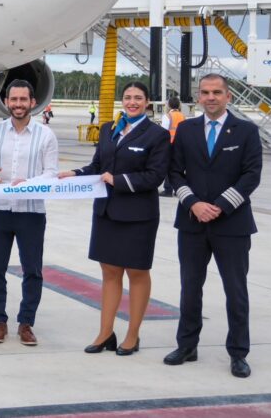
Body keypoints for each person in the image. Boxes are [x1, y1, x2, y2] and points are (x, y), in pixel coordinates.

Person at [59, 81, 169, 357]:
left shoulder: (157, 135)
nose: (132, 102)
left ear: (147, 102)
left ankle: (132, 335)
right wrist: (75, 173)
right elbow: (99, 166)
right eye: (128, 97)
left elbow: (155, 177)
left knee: (137, 272)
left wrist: (118, 180)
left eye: (138, 98)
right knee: (109, 272)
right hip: (107, 211)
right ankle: (105, 332)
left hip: (137, 215)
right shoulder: (110, 129)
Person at [164, 74, 262, 379]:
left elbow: (251, 175)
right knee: (190, 288)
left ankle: (238, 353)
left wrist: (220, 205)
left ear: (228, 96)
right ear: (198, 96)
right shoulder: (187, 129)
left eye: (217, 92)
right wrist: (193, 203)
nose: (210, 97)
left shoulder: (246, 131)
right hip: (192, 222)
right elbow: (173, 173)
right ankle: (187, 345)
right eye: (205, 92)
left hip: (232, 223)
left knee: (236, 290)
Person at [0, 80, 58, 346]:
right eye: (13, 100)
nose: (17, 105)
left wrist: (28, 184)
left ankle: (26, 323)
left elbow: (51, 174)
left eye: (22, 100)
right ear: (6, 101)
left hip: (31, 211)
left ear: (32, 102)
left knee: (33, 270)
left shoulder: (45, 136)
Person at [159, 96, 186, 197]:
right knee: (178, 168)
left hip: (170, 144)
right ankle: (178, 190)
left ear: (168, 105)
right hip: (181, 144)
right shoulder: (182, 116)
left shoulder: (167, 116)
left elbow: (164, 131)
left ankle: (168, 189)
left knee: (168, 168)